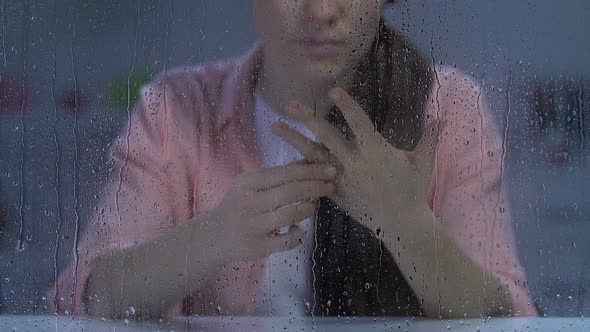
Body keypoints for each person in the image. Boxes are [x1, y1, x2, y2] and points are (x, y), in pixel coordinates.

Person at [51, 0, 537, 319]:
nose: (321, 10)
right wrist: (214, 235)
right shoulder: (176, 108)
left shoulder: (449, 110)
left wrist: (408, 227)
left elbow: (510, 315)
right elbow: (82, 298)